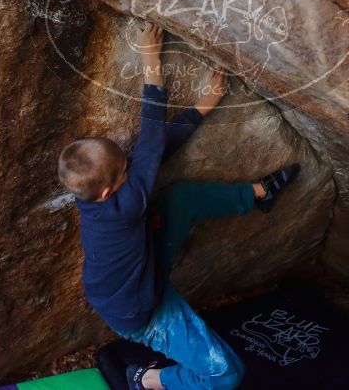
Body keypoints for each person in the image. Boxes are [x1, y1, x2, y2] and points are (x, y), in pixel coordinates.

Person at [58, 22, 300, 389]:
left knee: (178, 197)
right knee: (226, 373)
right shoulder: (121, 210)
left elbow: (151, 157)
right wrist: (150, 62)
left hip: (139, 271)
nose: (132, 169)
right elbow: (151, 143)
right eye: (125, 172)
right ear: (108, 193)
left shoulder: (100, 196)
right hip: (143, 312)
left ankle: (258, 194)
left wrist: (204, 105)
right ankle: (148, 380)